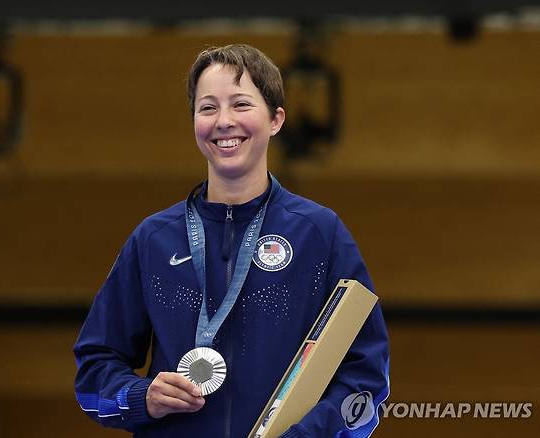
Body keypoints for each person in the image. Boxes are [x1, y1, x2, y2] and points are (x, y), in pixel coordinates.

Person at [74, 43, 389, 437]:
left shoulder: (318, 233)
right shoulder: (153, 239)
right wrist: (140, 396)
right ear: (193, 122)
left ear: (276, 120)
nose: (223, 121)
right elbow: (92, 375)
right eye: (208, 108)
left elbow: (367, 378)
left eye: (241, 104)